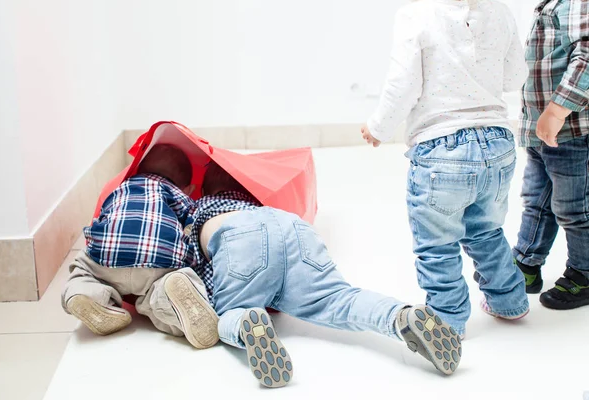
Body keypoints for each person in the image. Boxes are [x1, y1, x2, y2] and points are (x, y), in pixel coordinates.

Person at [187, 162, 462, 388]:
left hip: (240, 237)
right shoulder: (252, 202)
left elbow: (200, 269)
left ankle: (246, 322)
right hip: (294, 226)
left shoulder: (202, 209)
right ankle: (400, 315)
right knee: (341, 299)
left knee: (229, 312)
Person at [361, 0, 530, 336]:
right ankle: (509, 300)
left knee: (437, 243)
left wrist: (378, 127)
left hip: (442, 149)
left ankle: (447, 321)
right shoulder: (500, 10)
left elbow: (403, 83)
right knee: (486, 231)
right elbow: (514, 77)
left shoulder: (416, 14)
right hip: (498, 142)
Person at [61, 144, 219, 349]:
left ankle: (86, 293)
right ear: (187, 188)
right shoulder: (180, 196)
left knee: (83, 270)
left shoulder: (120, 188)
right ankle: (169, 301)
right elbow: (192, 229)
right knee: (163, 287)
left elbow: (101, 217)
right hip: (158, 263)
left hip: (108, 257)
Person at [512, 0, 589, 310]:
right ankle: (527, 262)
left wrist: (558, 109)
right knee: (536, 200)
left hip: (569, 131)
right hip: (539, 130)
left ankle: (584, 273)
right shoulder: (550, 4)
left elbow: (585, 56)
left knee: (575, 209)